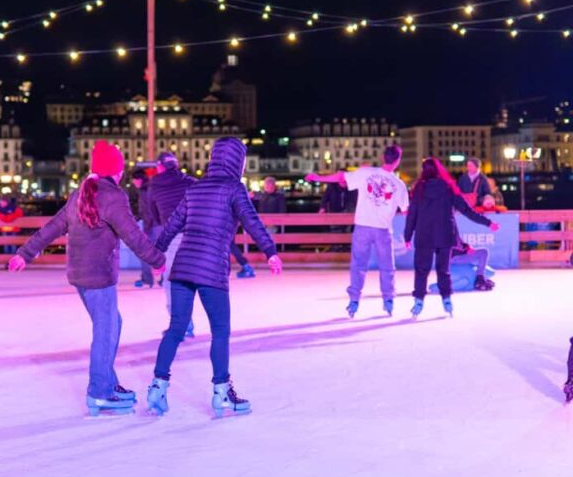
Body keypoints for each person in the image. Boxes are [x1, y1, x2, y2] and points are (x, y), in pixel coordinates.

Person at [9, 141, 165, 416]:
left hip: (80, 275)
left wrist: (25, 253)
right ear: (115, 171)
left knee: (113, 323)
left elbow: (53, 227)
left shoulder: (80, 193)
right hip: (99, 276)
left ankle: (108, 381)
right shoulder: (112, 196)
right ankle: (99, 392)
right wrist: (158, 260)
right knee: (105, 331)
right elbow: (132, 234)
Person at [147, 137, 283, 418]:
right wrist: (270, 250)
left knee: (175, 328)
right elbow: (251, 221)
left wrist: (157, 255)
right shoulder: (234, 188)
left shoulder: (196, 188)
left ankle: (158, 386)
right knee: (220, 331)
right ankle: (221, 392)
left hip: (183, 266)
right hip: (210, 269)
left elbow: (173, 223)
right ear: (237, 161)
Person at [306, 146, 409, 318]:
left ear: (383, 157)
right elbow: (405, 211)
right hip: (383, 230)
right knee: (387, 267)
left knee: (358, 265)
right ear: (398, 161)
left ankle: (354, 300)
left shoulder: (365, 172)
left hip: (362, 226)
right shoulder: (399, 185)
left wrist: (318, 177)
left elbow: (340, 176)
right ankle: (388, 299)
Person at [404, 157, 499, 317]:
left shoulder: (418, 188)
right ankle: (446, 300)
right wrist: (488, 223)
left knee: (421, 270)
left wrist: (407, 236)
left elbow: (412, 215)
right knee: (444, 270)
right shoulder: (449, 187)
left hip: (424, 235)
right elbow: (467, 210)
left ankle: (418, 301)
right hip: (445, 234)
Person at [148, 151, 197, 338]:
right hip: (194, 236)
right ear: (176, 165)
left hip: (172, 237)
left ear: (160, 166)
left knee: (171, 282)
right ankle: (188, 324)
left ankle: (182, 325)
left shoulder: (155, 185)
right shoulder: (190, 182)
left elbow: (153, 213)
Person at [131, 169, 160, 288]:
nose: (133, 183)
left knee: (144, 253)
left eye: (133, 180)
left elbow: (148, 211)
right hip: (159, 225)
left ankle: (147, 279)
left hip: (152, 226)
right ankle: (163, 279)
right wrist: (138, 217)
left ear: (139, 179)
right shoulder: (151, 188)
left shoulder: (145, 190)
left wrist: (147, 229)